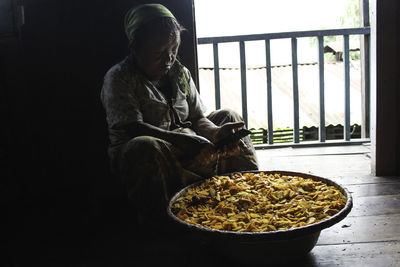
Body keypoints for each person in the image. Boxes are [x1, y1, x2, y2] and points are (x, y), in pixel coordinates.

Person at [100, 3, 259, 225]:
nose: (169, 58)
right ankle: (166, 222)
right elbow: (132, 127)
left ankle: (247, 192)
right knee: (143, 145)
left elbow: (197, 117)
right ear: (136, 47)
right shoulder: (119, 77)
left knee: (229, 117)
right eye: (159, 53)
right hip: (153, 154)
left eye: (173, 49)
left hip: (187, 142)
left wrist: (214, 132)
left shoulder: (179, 72)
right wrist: (183, 140)